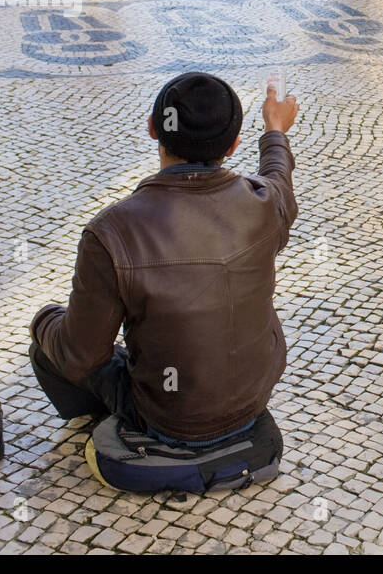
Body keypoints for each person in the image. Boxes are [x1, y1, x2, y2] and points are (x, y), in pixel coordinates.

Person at [29, 74, 300, 455]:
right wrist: (275, 129)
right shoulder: (266, 204)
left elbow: (81, 357)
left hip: (170, 418)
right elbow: (278, 175)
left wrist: (41, 321)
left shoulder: (111, 232)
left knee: (51, 342)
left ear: (153, 128)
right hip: (253, 399)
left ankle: (111, 425)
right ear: (235, 144)